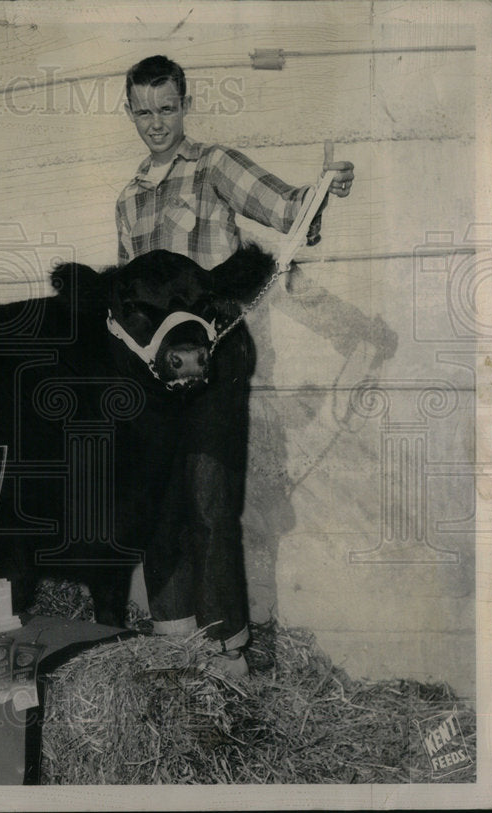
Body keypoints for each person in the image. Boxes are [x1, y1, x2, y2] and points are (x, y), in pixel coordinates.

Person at [116, 55, 354, 677]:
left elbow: (290, 208)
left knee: (208, 500)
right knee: (161, 502)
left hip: (216, 360)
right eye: (143, 111)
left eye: (166, 108)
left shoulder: (212, 166)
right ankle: (175, 651)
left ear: (184, 103)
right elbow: (134, 296)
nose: (156, 123)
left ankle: (227, 659)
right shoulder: (128, 200)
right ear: (130, 112)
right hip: (157, 374)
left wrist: (325, 188)